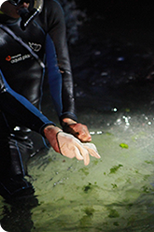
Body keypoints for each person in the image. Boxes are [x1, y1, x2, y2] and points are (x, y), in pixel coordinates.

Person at [0, 0, 100, 200]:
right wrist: (48, 129)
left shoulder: (48, 10)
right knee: (24, 200)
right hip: (5, 130)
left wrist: (68, 119)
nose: (26, 3)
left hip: (34, 127)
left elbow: (59, 68)